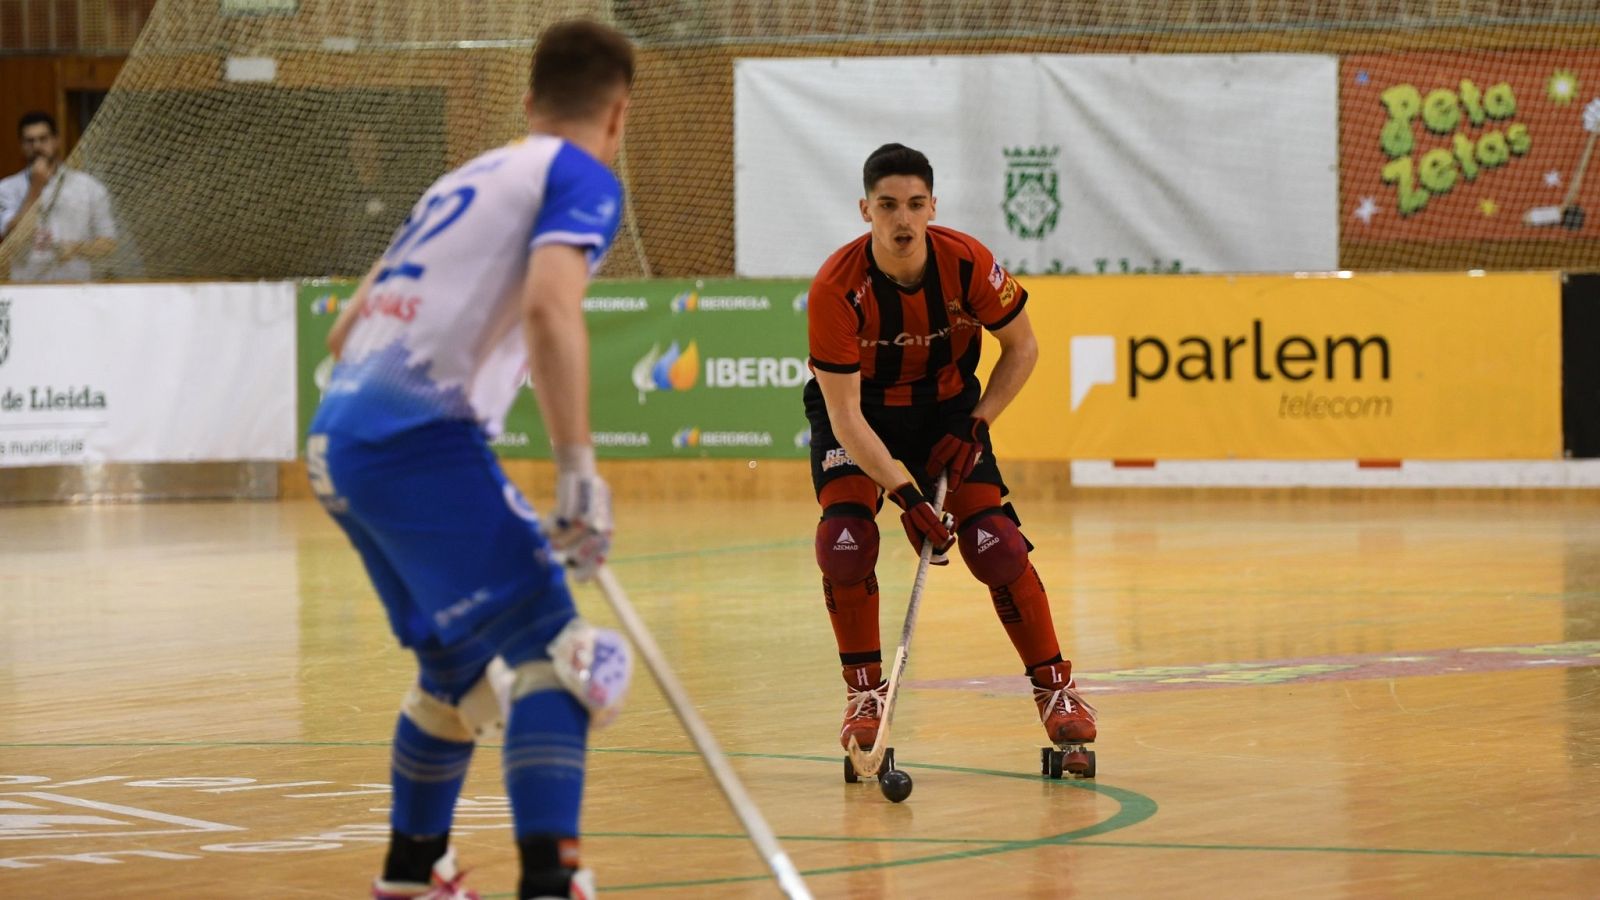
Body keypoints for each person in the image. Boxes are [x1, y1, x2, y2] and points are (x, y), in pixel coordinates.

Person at [305, 19, 636, 900]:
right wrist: (578, 473)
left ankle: (413, 873)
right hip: (417, 441)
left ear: (529, 104)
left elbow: (346, 331)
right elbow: (550, 309)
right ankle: (547, 881)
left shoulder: (461, 179)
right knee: (560, 658)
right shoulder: (581, 176)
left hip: (336, 441)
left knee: (454, 678)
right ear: (619, 116)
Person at [804, 143, 1096, 770]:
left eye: (915, 205)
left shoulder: (968, 264)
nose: (902, 221)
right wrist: (907, 497)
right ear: (865, 210)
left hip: (945, 415)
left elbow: (1022, 348)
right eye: (887, 207)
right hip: (863, 419)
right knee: (846, 542)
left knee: (997, 544)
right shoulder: (835, 288)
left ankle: (1055, 689)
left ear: (934, 205)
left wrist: (977, 421)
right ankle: (863, 697)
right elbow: (846, 416)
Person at [0, 111, 118, 282]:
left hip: (76, 288)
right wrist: (36, 187)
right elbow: (11, 237)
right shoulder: (6, 188)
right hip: (26, 289)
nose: (37, 146)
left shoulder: (89, 187)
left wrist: (78, 248)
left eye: (43, 139)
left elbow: (109, 243)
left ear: (56, 141)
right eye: (30, 141)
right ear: (21, 146)